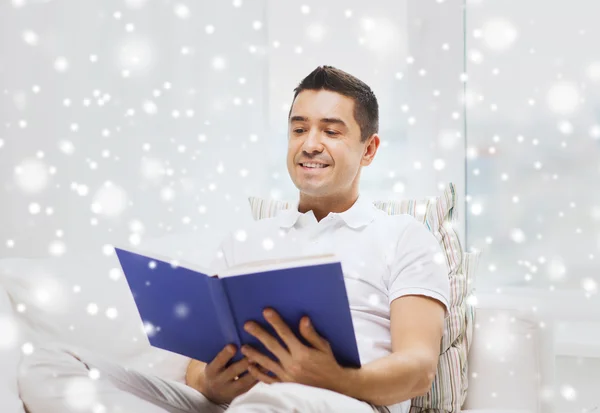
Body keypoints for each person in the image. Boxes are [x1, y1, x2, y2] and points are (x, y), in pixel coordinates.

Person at [18, 66, 450, 413]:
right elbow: (197, 367)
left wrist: (333, 377)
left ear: (369, 150)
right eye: (299, 129)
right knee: (51, 363)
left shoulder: (404, 238)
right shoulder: (248, 239)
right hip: (232, 403)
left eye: (331, 131)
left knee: (278, 400)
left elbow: (418, 370)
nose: (310, 144)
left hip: (339, 400)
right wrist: (209, 381)